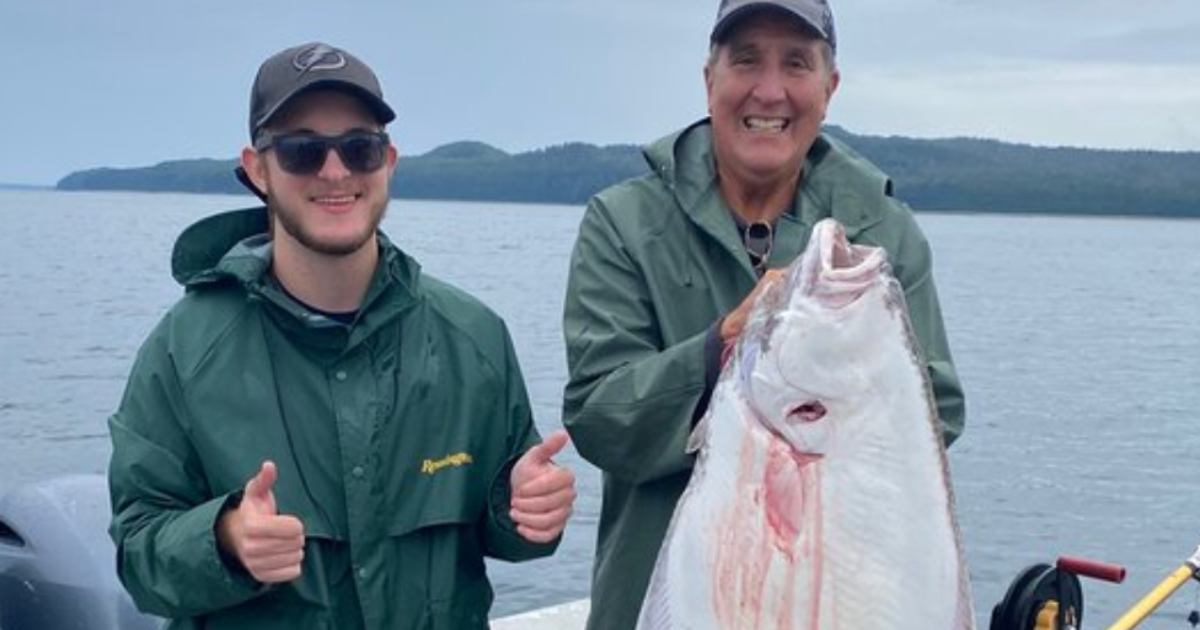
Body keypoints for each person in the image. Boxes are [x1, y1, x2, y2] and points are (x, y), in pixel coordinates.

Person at [107, 41, 577, 630]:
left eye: (360, 147)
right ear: (258, 169)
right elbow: (137, 553)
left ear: (390, 163)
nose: (335, 171)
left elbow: (506, 530)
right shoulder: (183, 349)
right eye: (303, 150)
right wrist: (224, 538)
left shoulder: (473, 338)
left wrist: (527, 511)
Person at [561, 1, 967, 628]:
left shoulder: (884, 232)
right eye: (746, 60)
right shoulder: (624, 223)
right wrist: (724, 344)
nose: (770, 90)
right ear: (709, 79)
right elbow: (601, 417)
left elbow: (939, 412)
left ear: (828, 90)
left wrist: (843, 382)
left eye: (796, 64)